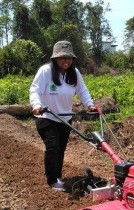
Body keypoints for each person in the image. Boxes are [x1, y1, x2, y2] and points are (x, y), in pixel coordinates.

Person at [29, 40, 96, 191]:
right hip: (46, 116)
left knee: (61, 149)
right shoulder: (46, 71)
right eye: (62, 57)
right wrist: (37, 105)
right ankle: (52, 180)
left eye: (69, 57)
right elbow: (35, 89)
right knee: (53, 147)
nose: (66, 60)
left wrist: (90, 105)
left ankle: (57, 176)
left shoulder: (74, 73)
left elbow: (83, 91)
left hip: (65, 118)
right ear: (55, 58)